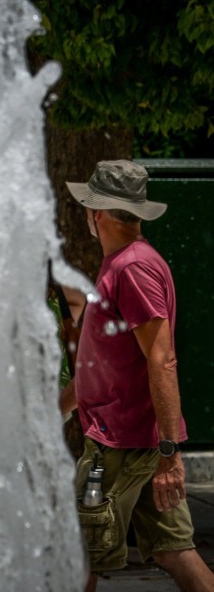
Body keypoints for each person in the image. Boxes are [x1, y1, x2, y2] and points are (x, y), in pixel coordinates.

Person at [61, 160, 214, 592]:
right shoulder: (122, 265)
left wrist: (170, 453)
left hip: (121, 448)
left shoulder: (131, 269)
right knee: (174, 551)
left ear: (98, 214)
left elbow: (162, 359)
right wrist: (55, 409)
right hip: (134, 443)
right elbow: (106, 365)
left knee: (76, 558)